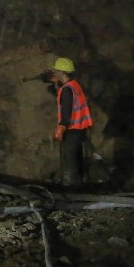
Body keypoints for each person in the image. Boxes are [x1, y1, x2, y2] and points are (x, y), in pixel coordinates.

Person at [47, 57, 93, 187]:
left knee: (69, 158)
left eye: (56, 70)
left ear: (61, 72)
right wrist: (56, 85)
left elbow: (66, 113)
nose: (54, 72)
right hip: (80, 128)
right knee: (76, 156)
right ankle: (78, 183)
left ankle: (69, 185)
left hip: (72, 128)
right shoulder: (74, 85)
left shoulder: (67, 90)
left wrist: (60, 130)